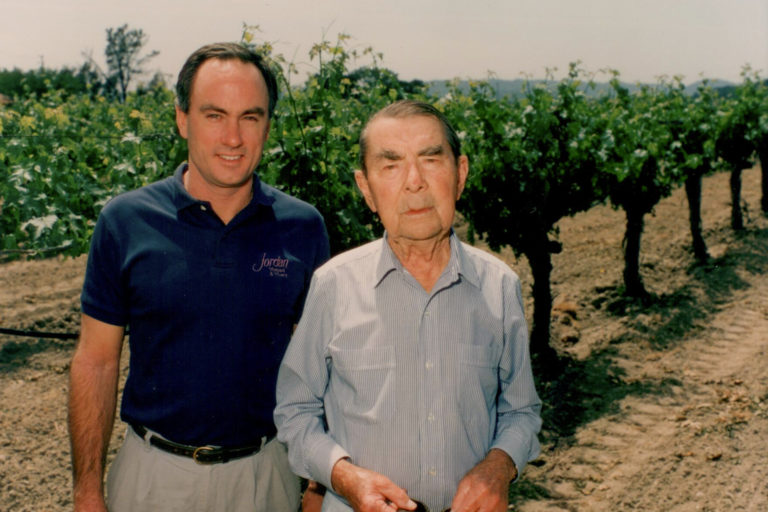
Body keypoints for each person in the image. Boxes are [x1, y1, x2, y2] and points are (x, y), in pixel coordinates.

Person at [68, 42, 330, 512]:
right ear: (182, 119)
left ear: (268, 125)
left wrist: (316, 484)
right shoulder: (126, 220)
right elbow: (96, 361)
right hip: (153, 478)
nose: (233, 137)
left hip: (266, 476)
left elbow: (321, 367)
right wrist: (87, 489)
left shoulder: (303, 226)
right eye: (214, 115)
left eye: (250, 117)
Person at [274, 99, 542, 512]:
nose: (414, 181)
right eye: (391, 165)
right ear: (366, 188)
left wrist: (500, 465)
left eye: (431, 160)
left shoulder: (499, 285)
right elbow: (295, 411)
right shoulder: (333, 285)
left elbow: (521, 410)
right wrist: (344, 476)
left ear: (461, 175)